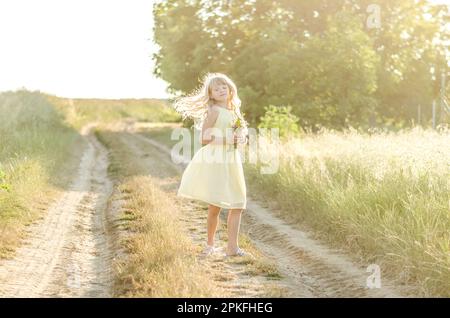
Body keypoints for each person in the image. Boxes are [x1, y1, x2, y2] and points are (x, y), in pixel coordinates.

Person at [174, 72, 249, 257]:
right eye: (217, 88)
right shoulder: (214, 111)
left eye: (224, 86)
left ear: (231, 89)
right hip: (216, 160)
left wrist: (242, 138)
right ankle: (209, 245)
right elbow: (204, 138)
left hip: (232, 159)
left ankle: (232, 248)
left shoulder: (235, 111)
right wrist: (228, 138)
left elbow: (240, 137)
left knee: (238, 203)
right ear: (211, 94)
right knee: (216, 205)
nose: (222, 90)